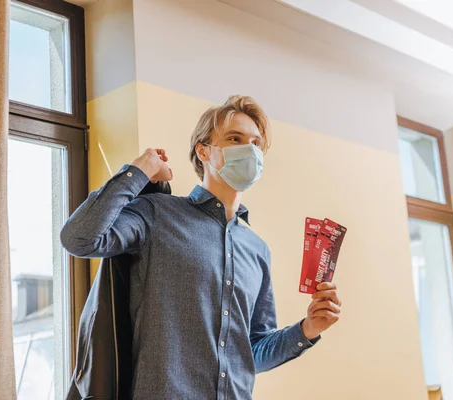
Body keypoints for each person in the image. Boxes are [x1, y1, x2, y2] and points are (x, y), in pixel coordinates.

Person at [61, 95, 342, 399]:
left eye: (256, 144)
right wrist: (138, 170)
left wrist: (308, 329)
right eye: (235, 138)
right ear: (204, 150)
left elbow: (253, 351)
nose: (249, 150)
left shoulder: (257, 250)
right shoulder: (157, 214)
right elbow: (79, 238)